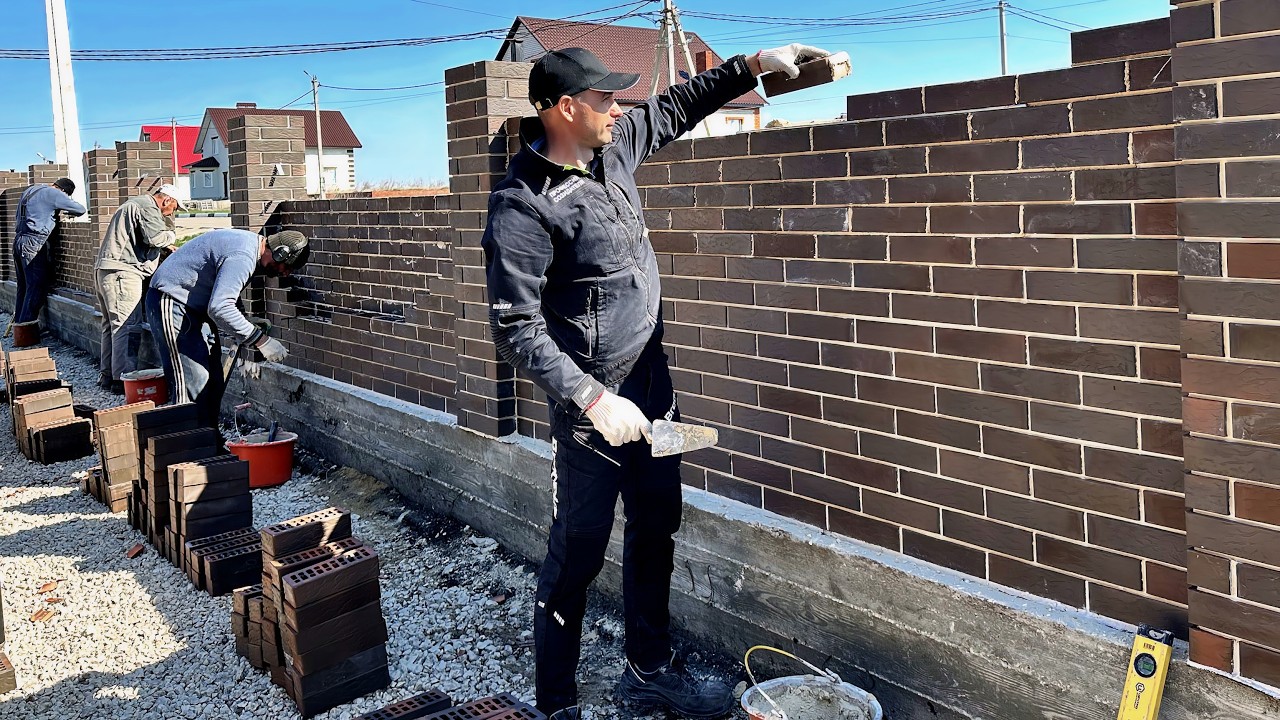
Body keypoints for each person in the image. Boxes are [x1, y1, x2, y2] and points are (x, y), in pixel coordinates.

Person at [482, 44, 830, 720]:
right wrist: (590, 397)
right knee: (577, 555)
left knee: (657, 523)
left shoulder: (612, 148)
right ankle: (556, 706)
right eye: (606, 99)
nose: (620, 109)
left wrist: (755, 63)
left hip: (654, 389)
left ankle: (648, 671)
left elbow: (675, 105)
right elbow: (515, 327)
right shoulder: (521, 206)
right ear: (566, 108)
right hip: (594, 412)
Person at [145, 228, 305, 427]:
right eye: (286, 266)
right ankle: (188, 448)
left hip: (194, 309)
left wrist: (244, 320)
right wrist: (261, 341)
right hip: (171, 300)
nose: (285, 272)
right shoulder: (243, 256)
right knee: (191, 384)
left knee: (212, 382)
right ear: (279, 252)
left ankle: (211, 446)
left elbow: (227, 287)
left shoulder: (249, 250)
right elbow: (220, 307)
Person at [94, 184, 183, 393]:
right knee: (127, 326)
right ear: (167, 200)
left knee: (111, 326)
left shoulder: (135, 204)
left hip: (107, 271)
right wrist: (171, 236)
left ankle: (108, 376)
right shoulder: (147, 206)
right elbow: (155, 237)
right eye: (175, 208)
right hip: (123, 273)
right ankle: (123, 380)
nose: (174, 213)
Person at [11, 177, 86, 328]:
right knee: (36, 285)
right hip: (33, 243)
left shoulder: (31, 190)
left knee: (24, 285)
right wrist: (63, 208)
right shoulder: (54, 194)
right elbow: (80, 210)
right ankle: (26, 329)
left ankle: (18, 326)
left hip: (19, 240)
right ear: (63, 191)